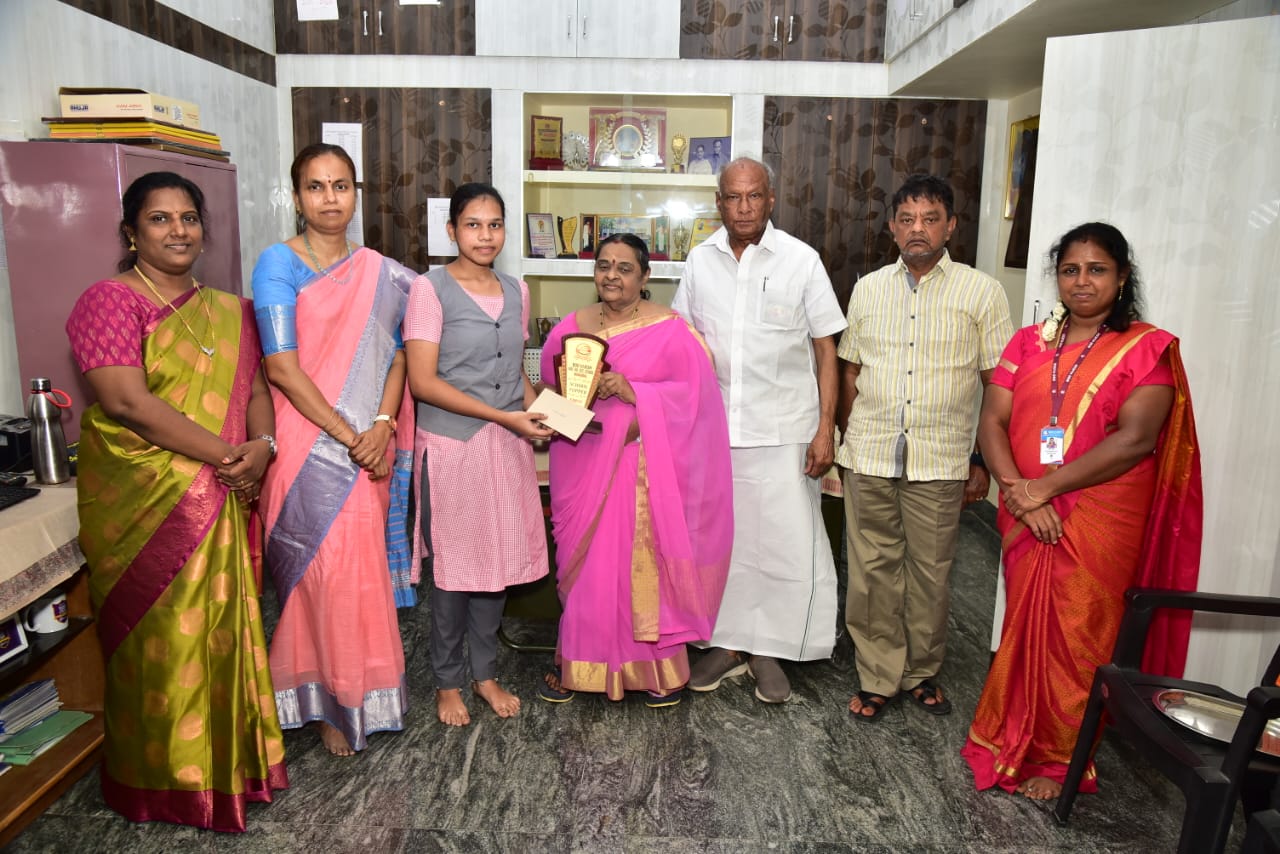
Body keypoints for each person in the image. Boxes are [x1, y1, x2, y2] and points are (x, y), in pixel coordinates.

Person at [67, 171, 287, 830]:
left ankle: (230, 771)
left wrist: (262, 445)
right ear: (131, 232)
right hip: (148, 505)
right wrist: (228, 457)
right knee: (160, 643)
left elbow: (254, 391)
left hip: (223, 491)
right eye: (159, 219)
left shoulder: (231, 309)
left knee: (222, 633)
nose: (178, 230)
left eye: (188, 217)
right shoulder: (108, 302)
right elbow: (126, 403)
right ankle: (164, 784)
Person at [962, 222, 1202, 799]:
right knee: (1025, 624)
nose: (1082, 281)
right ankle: (1009, 735)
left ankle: (1060, 759)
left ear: (1122, 277)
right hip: (1028, 509)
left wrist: (1042, 489)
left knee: (1079, 634)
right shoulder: (1028, 342)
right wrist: (1019, 492)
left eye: (1097, 269)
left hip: (1101, 514)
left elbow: (1135, 440)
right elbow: (992, 420)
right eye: (1070, 270)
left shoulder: (1146, 348)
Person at [253, 143, 416, 756]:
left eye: (340, 185)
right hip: (306, 445)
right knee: (317, 579)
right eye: (316, 186)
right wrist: (353, 438)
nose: (329, 198)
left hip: (370, 443)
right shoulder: (278, 264)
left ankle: (362, 691)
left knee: (358, 575)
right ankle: (324, 700)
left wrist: (383, 426)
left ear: (356, 194)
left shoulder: (381, 273)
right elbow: (282, 368)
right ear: (297, 197)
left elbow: (399, 354)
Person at [838, 173, 1013, 721]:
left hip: (941, 457)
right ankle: (878, 675)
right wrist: (846, 437)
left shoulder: (982, 292)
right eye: (907, 219)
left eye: (930, 219)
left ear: (950, 226)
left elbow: (997, 384)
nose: (918, 229)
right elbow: (851, 371)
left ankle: (919, 672)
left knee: (931, 573)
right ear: (892, 228)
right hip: (869, 452)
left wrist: (981, 459)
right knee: (871, 571)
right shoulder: (868, 289)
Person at [673, 157, 846, 704]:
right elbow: (685, 343)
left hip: (786, 430)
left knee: (783, 544)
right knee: (723, 543)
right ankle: (726, 645)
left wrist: (826, 429)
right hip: (715, 431)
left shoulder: (801, 260)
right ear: (718, 203)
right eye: (733, 197)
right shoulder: (700, 261)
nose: (743, 207)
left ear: (771, 199)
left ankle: (770, 649)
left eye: (753, 196)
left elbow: (827, 349)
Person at [539, 234, 733, 707]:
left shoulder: (671, 330)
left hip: (642, 470)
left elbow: (697, 399)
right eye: (603, 265)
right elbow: (551, 388)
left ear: (645, 277)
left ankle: (655, 672)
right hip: (581, 461)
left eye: (624, 268)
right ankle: (580, 666)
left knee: (637, 569)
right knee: (587, 573)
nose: (612, 276)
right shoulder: (570, 327)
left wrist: (635, 392)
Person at [403, 183, 551, 726]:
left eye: (494, 225)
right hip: (451, 448)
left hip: (505, 448)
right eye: (472, 224)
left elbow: (514, 375)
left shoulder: (517, 289)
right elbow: (422, 382)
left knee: (498, 565)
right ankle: (447, 681)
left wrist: (545, 414)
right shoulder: (430, 289)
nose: (485, 236)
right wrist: (504, 417)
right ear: (452, 231)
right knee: (454, 571)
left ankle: (484, 675)